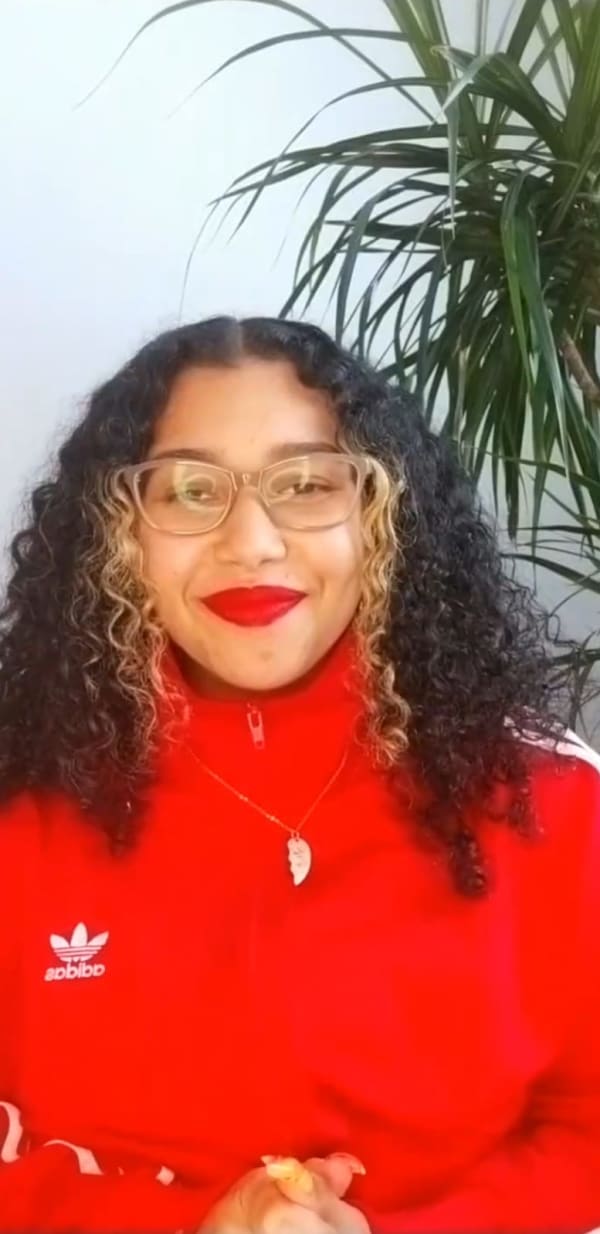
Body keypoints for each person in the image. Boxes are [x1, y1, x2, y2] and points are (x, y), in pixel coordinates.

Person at [0, 315, 599, 1234]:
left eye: (308, 483)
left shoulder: (553, 802)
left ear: (384, 514)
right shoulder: (20, 800)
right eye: (190, 490)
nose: (252, 540)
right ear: (115, 529)